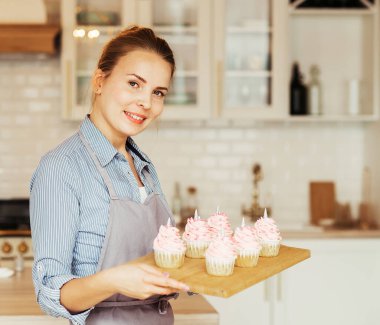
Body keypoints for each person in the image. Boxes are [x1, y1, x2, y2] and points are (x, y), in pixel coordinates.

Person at [30, 26, 190, 325]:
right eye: (133, 83)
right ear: (100, 80)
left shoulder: (142, 164)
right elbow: (49, 292)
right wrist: (114, 280)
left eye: (158, 92)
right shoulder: (61, 168)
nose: (146, 102)